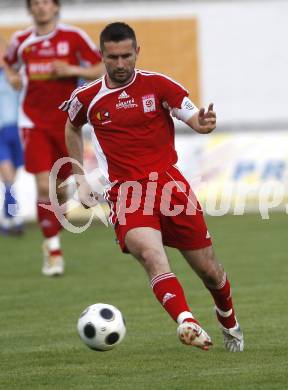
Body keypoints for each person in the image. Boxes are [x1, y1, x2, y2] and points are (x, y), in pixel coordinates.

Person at [63, 22, 244, 351]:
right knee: (151, 255)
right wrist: (79, 177)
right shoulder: (86, 97)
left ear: (137, 52)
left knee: (210, 271)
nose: (120, 64)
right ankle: (186, 321)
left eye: (126, 56)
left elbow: (190, 114)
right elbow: (72, 127)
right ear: (101, 56)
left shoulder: (159, 85)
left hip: (170, 188)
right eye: (112, 57)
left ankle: (228, 317)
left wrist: (201, 123)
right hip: (126, 194)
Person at [3, 0, 103, 276]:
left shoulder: (73, 37)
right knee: (43, 186)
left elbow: (99, 67)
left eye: (46, 2)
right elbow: (8, 63)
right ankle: (53, 252)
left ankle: (57, 212)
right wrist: (12, 77)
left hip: (66, 123)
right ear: (30, 9)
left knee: (59, 188)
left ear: (56, 7)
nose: (41, 7)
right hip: (32, 121)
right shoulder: (21, 40)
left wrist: (73, 71)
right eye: (35, 3)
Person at [0, 35, 24, 235]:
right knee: (7, 177)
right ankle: (15, 220)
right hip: (0, 132)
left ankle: (6, 221)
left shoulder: (16, 75)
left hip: (17, 131)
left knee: (11, 181)